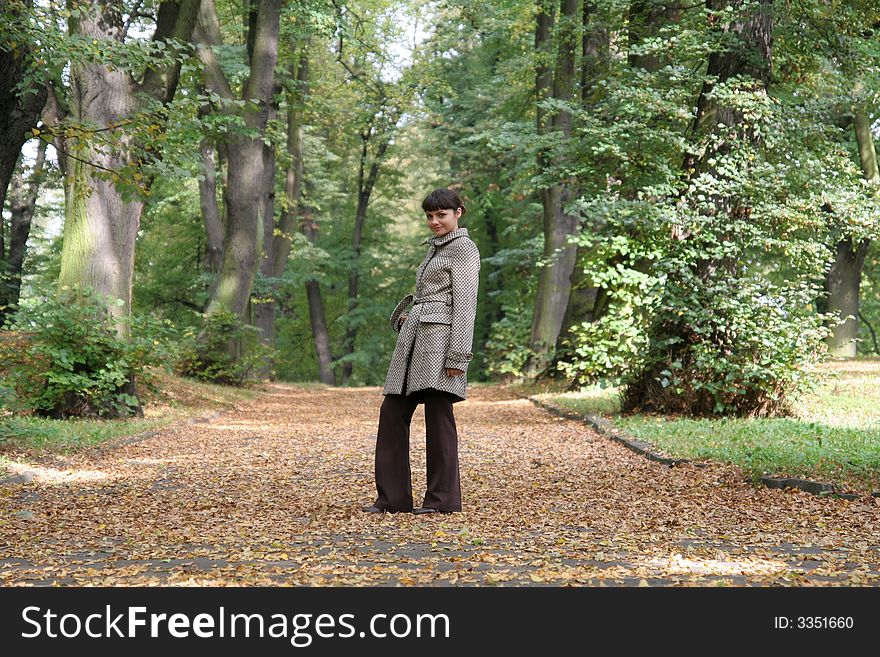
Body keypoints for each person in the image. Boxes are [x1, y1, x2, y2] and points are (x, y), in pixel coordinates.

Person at [363, 188, 481, 515]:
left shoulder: (464, 249)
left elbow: (465, 306)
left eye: (441, 215)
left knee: (439, 417)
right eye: (429, 216)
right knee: (392, 413)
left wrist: (458, 356)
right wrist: (408, 317)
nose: (434, 221)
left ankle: (442, 501)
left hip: (440, 346)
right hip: (416, 342)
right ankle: (393, 499)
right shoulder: (436, 248)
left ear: (459, 212)